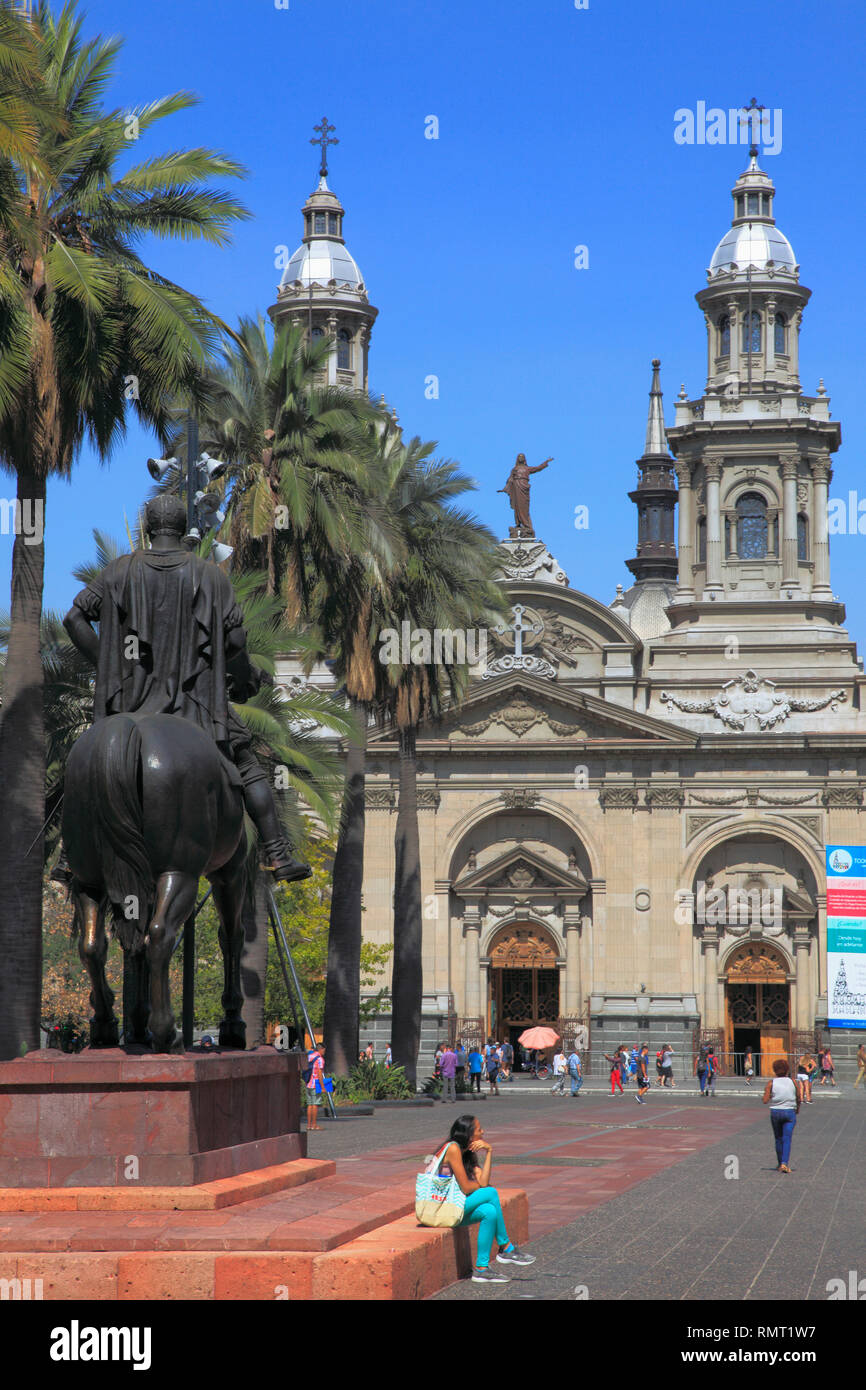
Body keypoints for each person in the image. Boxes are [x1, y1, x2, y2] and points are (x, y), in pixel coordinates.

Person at [57, 494, 310, 884]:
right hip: (196, 706)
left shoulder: (119, 571)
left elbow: (74, 618)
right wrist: (244, 679)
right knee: (250, 769)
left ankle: (69, 855)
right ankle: (278, 853)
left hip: (129, 704)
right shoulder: (210, 575)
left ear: (148, 528)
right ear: (180, 528)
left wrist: (111, 670)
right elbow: (237, 641)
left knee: (86, 764)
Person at [436, 1115, 536, 1283]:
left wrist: (489, 1152)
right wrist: (479, 1187)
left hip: (454, 1208)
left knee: (489, 1211)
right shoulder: (452, 1148)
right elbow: (468, 1187)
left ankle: (481, 1268)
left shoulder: (467, 1154)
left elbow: (483, 1181)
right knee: (490, 1193)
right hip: (441, 1209)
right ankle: (506, 1247)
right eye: (479, 1129)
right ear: (469, 1133)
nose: (483, 1132)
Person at [762, 1058, 802, 1173]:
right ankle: (784, 1163)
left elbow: (765, 1100)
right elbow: (799, 1097)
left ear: (775, 1070)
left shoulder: (771, 1083)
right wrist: (797, 1109)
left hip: (775, 1112)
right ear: (787, 1070)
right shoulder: (793, 1082)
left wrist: (767, 1094)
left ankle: (780, 1163)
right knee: (787, 1138)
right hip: (790, 1112)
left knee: (778, 1138)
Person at [305, 1040, 326, 1133]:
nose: (324, 1052)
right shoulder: (320, 1059)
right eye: (324, 1050)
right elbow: (319, 1074)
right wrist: (323, 1086)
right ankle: (314, 1125)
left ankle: (309, 1125)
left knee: (309, 1105)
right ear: (321, 1049)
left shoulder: (309, 1056)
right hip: (315, 1083)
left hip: (308, 1082)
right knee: (315, 1104)